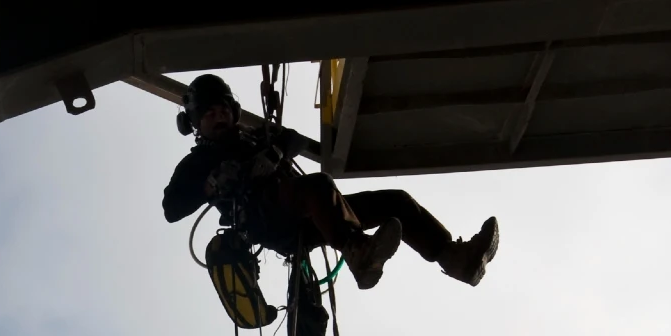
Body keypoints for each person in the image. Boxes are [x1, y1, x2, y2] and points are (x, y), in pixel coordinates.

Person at [162, 74, 500, 291]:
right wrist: (211, 185)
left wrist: (275, 152)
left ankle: (456, 259)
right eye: (208, 114)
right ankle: (358, 252)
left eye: (222, 110)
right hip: (269, 221)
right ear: (194, 124)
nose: (218, 117)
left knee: (395, 201)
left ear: (233, 112)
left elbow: (295, 140)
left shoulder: (257, 138)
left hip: (312, 216)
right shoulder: (197, 163)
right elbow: (172, 208)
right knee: (318, 186)